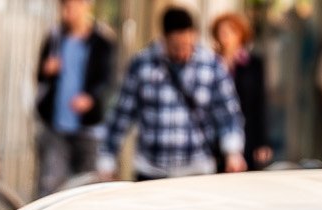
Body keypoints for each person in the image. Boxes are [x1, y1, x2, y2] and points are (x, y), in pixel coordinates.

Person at [100, 6, 246, 181]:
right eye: (176, 47)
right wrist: (107, 157)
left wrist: (232, 151)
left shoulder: (212, 65)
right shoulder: (143, 64)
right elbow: (122, 113)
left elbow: (227, 112)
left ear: (194, 36)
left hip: (197, 169)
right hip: (152, 170)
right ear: (165, 39)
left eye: (186, 45)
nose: (182, 52)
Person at [35, 0, 116, 197]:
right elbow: (39, 76)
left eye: (73, 5)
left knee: (86, 188)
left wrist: (91, 98)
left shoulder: (102, 41)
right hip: (56, 127)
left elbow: (108, 81)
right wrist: (47, 70)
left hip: (87, 129)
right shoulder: (55, 37)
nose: (68, 11)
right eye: (65, 6)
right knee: (51, 186)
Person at [212, 13, 271, 169]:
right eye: (222, 31)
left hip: (247, 135)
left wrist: (262, 141)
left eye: (231, 31)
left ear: (240, 34)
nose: (225, 36)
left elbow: (259, 103)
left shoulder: (253, 64)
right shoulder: (211, 63)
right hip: (215, 137)